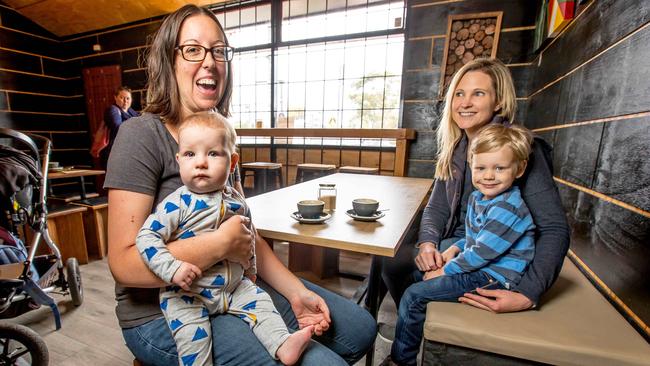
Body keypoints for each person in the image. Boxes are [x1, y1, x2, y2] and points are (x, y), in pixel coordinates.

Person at [104, 4, 376, 366]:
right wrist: (218, 244)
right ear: (169, 61)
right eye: (193, 49)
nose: (210, 61)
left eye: (219, 50)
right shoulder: (140, 133)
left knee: (359, 328)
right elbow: (123, 264)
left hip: (230, 286)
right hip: (162, 310)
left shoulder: (220, 135)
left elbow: (245, 235)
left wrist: (296, 292)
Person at [379, 58, 569, 320]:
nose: (464, 103)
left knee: (403, 267)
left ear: (499, 101)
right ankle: (413, 324)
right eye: (459, 94)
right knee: (388, 257)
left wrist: (528, 292)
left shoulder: (523, 147)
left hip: (497, 247)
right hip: (460, 239)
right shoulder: (456, 147)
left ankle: (418, 328)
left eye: (478, 93)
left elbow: (554, 228)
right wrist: (427, 244)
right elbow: (436, 207)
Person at [136, 112, 314, 366]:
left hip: (232, 287)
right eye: (190, 154)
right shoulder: (177, 203)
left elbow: (248, 239)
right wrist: (172, 268)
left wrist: (251, 272)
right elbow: (146, 237)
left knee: (262, 304)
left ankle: (282, 343)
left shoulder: (236, 200)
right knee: (193, 338)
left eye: (213, 153)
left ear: (232, 163)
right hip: (187, 293)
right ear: (178, 161)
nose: (200, 163)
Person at [387, 123, 536, 365]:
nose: (488, 176)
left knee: (414, 296)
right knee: (413, 275)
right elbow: (474, 238)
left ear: (519, 169)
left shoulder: (508, 207)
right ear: (471, 166)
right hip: (482, 266)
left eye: (499, 168)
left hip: (495, 276)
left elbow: (481, 254)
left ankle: (401, 360)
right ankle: (417, 334)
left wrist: (445, 270)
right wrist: (453, 249)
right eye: (481, 168)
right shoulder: (480, 197)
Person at [100, 86, 139, 168]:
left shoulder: (131, 111)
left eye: (128, 98)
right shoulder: (113, 110)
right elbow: (119, 128)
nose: (125, 101)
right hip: (116, 152)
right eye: (122, 97)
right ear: (115, 97)